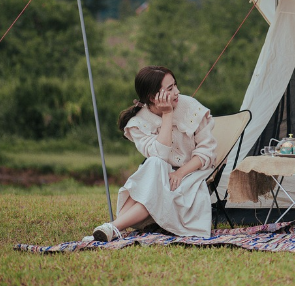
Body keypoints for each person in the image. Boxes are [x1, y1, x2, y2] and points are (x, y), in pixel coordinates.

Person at [89, 66, 217, 242]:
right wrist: (167, 114)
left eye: (175, 85)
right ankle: (112, 228)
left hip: (191, 172)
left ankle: (113, 227)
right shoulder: (137, 123)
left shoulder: (191, 107)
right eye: (170, 88)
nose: (177, 92)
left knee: (154, 178)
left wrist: (180, 172)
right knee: (155, 163)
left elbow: (207, 152)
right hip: (159, 173)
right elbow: (160, 155)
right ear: (152, 97)